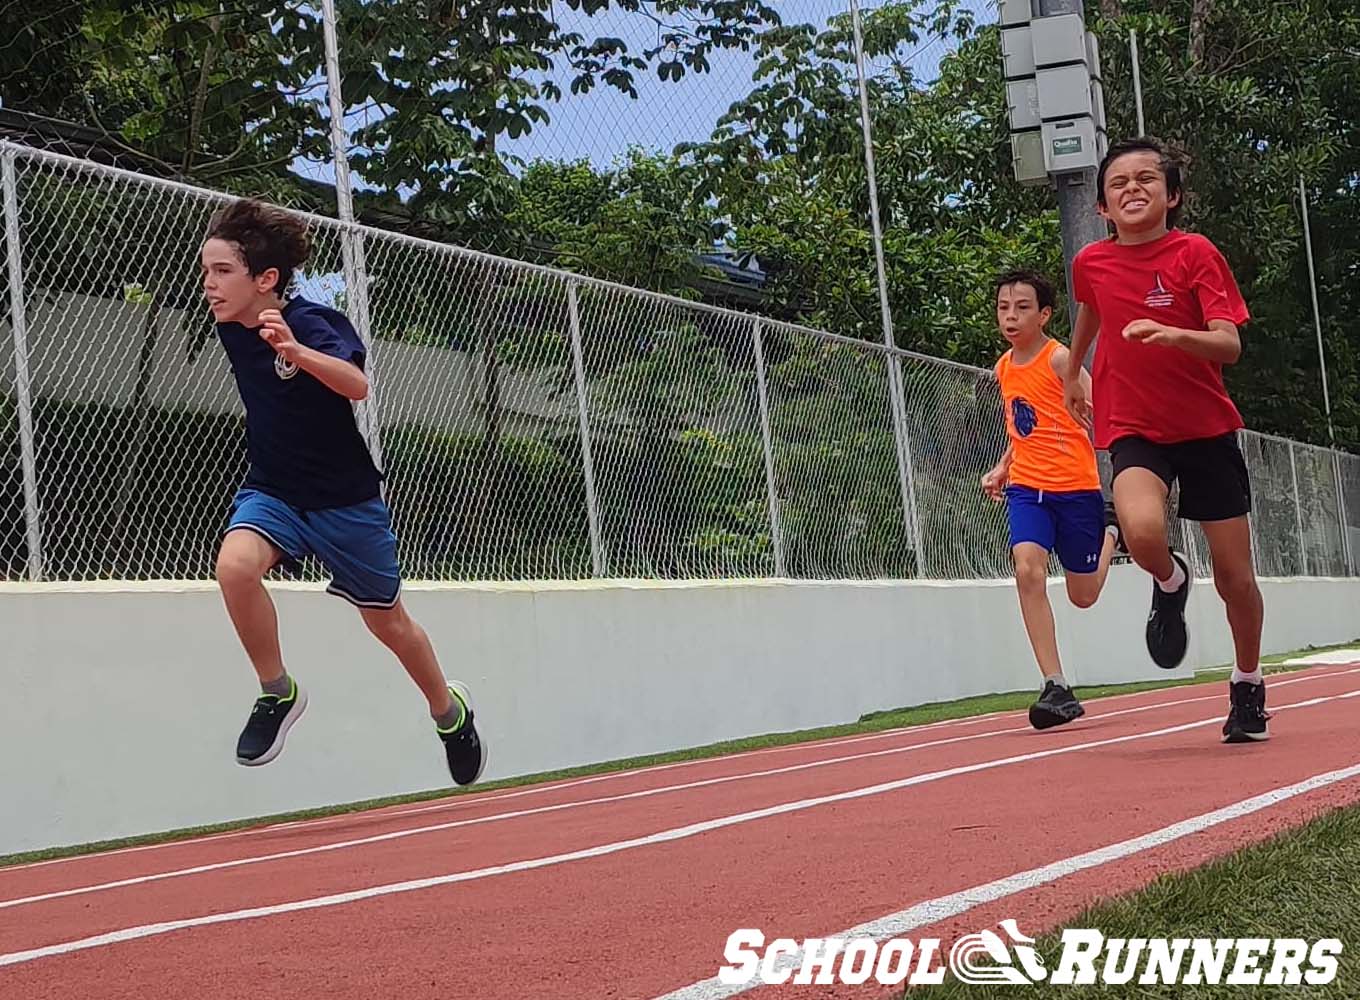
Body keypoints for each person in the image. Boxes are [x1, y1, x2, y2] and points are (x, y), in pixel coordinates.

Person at [199, 197, 488, 782]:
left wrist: (297, 353)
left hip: (346, 502)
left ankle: (447, 711)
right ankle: (278, 692)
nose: (208, 285)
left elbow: (356, 386)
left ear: (267, 279)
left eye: (222, 271)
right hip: (275, 492)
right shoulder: (231, 323)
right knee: (235, 568)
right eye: (206, 271)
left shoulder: (314, 323)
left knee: (388, 624)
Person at [1063, 136, 1269, 744]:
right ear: (1102, 205)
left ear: (1171, 195)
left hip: (1205, 429)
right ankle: (1171, 581)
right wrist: (1075, 368)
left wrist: (1176, 335)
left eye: (1146, 179)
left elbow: (1228, 343)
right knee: (1144, 532)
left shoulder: (1195, 253)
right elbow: (1092, 310)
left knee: (1236, 579)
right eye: (1118, 182)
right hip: (1133, 426)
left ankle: (1249, 683)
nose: (1132, 188)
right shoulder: (1091, 263)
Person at [983, 270, 1122, 730]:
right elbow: (1025, 427)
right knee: (1027, 567)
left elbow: (1101, 405)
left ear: (1043, 314)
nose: (1011, 316)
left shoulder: (1060, 358)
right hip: (1027, 489)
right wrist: (1004, 467)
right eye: (1004, 307)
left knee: (1084, 595)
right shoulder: (1003, 368)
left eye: (1022, 307)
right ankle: (1055, 684)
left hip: (1076, 489)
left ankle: (1111, 534)